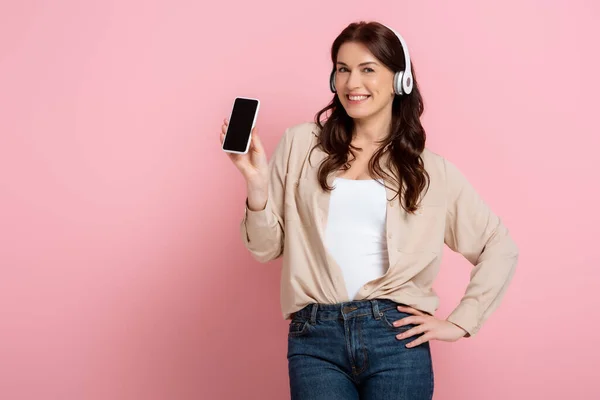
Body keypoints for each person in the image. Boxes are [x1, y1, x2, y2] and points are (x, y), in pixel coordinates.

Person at [219, 20, 519, 400]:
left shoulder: (429, 170)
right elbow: (264, 249)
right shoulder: (301, 144)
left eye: (367, 69)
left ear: (400, 81)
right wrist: (257, 188)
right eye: (342, 69)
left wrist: (460, 322)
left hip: (395, 339)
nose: (351, 83)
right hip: (315, 340)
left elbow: (499, 246)